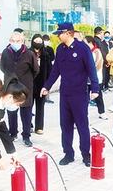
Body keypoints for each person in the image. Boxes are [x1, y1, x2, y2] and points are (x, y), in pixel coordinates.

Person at [40, 23, 99, 167]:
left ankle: (86, 155)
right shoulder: (60, 49)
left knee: (82, 125)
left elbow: (91, 69)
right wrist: (47, 86)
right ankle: (68, 154)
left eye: (59, 34)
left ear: (68, 33)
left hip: (79, 94)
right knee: (65, 125)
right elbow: (56, 70)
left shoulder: (82, 48)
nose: (58, 36)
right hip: (65, 94)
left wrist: (95, 89)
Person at [0, 31, 39, 146]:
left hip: (25, 87)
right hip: (11, 86)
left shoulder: (29, 53)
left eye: (18, 41)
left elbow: (36, 70)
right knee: (11, 111)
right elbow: (2, 67)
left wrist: (27, 79)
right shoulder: (6, 52)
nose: (15, 43)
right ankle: (13, 133)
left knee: (26, 112)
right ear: (9, 41)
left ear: (22, 41)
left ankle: (26, 136)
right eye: (13, 41)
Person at [30, 34, 52, 134]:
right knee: (28, 107)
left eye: (40, 42)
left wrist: (47, 86)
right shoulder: (28, 53)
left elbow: (50, 71)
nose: (38, 43)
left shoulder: (46, 55)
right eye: (36, 41)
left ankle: (39, 127)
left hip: (42, 85)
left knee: (40, 107)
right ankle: (28, 125)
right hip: (30, 84)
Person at [85, 36, 107, 120]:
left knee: (98, 96)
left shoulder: (97, 52)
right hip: (86, 79)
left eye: (85, 43)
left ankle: (102, 112)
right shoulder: (85, 52)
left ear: (90, 43)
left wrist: (89, 71)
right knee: (85, 98)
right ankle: (84, 115)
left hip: (96, 78)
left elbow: (97, 65)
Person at [93, 27, 110, 91]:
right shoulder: (98, 41)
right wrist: (106, 61)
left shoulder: (94, 40)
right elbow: (102, 52)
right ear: (100, 32)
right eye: (103, 33)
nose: (103, 35)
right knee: (101, 77)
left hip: (95, 62)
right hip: (100, 62)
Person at [42, 34, 55, 104]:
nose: (46, 41)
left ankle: (47, 97)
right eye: (45, 40)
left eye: (47, 40)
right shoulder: (40, 48)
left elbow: (53, 58)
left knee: (48, 82)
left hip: (49, 68)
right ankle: (42, 97)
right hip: (42, 68)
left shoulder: (50, 49)